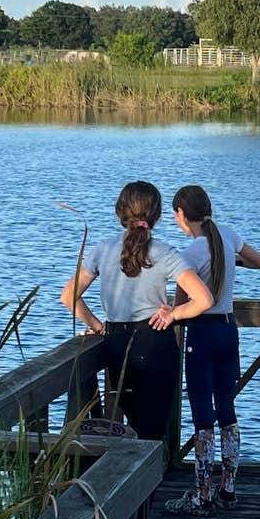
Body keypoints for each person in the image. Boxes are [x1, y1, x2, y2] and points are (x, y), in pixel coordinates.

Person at [59, 181, 215, 451]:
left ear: (121, 211)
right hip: (154, 342)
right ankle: (149, 489)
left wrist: (98, 326)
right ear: (156, 214)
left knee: (134, 427)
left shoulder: (103, 249)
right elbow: (204, 300)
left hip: (116, 344)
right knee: (152, 433)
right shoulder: (165, 253)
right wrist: (173, 313)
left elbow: (68, 296)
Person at [164, 184, 260, 516]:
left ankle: (201, 494)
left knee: (201, 416)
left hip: (203, 333)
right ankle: (229, 489)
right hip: (228, 329)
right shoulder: (227, 235)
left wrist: (170, 313)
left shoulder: (190, 254)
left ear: (181, 214)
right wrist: (230, 260)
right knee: (227, 410)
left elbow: (184, 304)